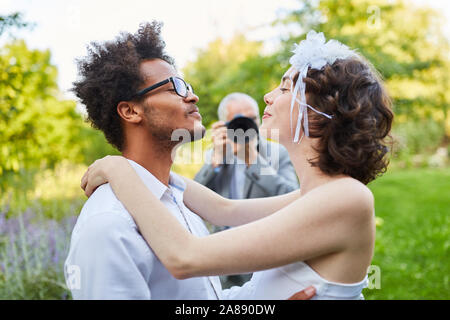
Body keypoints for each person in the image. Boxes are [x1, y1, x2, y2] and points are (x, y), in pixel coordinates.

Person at [82, 30, 394, 300]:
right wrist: (144, 173)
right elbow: (225, 210)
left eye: (285, 88)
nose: (268, 96)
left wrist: (120, 171)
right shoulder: (317, 196)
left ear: (319, 112)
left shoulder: (346, 199)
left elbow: (184, 257)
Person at [64, 22, 314, 300]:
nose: (192, 96)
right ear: (131, 111)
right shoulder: (109, 224)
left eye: (188, 86)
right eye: (176, 88)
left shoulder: (180, 200)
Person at [195, 92, 299, 287]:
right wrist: (214, 163)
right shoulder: (217, 153)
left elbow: (293, 197)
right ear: (223, 125)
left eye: (251, 119)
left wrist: (253, 160)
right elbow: (193, 200)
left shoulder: (278, 153)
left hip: (268, 260)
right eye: (238, 121)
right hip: (224, 260)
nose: (246, 127)